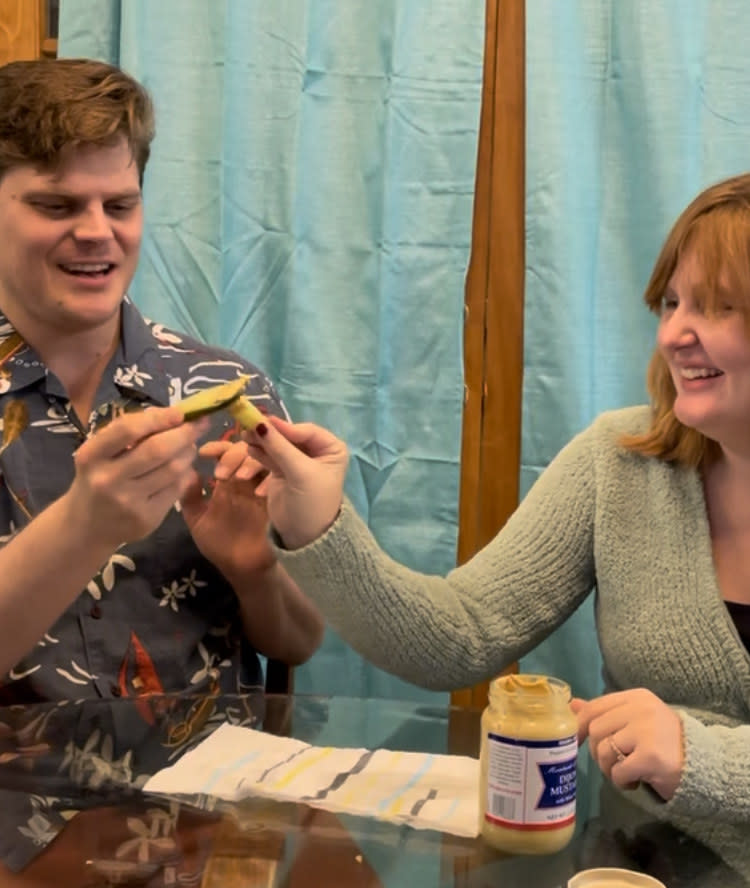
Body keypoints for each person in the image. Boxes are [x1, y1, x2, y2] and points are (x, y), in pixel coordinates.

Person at [239, 172, 750, 824]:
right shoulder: (619, 462)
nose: (674, 333)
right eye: (671, 303)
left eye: (714, 306)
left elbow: (698, 759)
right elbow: (459, 636)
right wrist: (318, 526)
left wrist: (699, 758)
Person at [0, 57, 324, 706]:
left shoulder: (228, 386)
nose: (97, 232)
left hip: (213, 797)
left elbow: (298, 643)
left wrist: (252, 566)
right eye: (56, 204)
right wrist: (84, 527)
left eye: (119, 204)